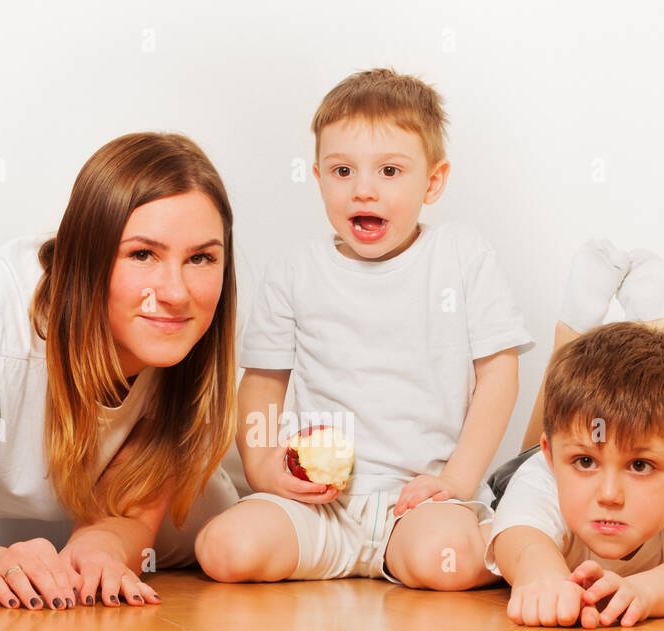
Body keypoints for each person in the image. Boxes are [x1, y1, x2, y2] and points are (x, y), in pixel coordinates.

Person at [0, 133, 240, 611]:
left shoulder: (183, 341)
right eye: (142, 254)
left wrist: (97, 552)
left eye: (201, 258)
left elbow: (129, 506)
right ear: (89, 256)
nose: (176, 292)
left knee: (220, 522)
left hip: (76, 506)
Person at [194, 67, 534, 589]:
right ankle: (335, 552)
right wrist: (263, 467)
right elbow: (262, 383)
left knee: (446, 556)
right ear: (318, 177)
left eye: (390, 172)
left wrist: (454, 481)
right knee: (224, 550)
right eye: (343, 171)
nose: (364, 192)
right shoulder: (295, 269)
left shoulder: (460, 257)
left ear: (434, 181)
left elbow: (498, 376)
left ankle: (422, 548)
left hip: (418, 503)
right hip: (319, 506)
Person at [487, 242, 664, 628]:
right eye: (585, 464)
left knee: (643, 401)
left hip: (583, 440)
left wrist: (645, 592)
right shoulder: (541, 474)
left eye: (641, 465)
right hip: (528, 465)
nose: (609, 495)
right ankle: (573, 331)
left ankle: (652, 332)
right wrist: (542, 577)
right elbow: (520, 540)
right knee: (560, 407)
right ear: (554, 460)